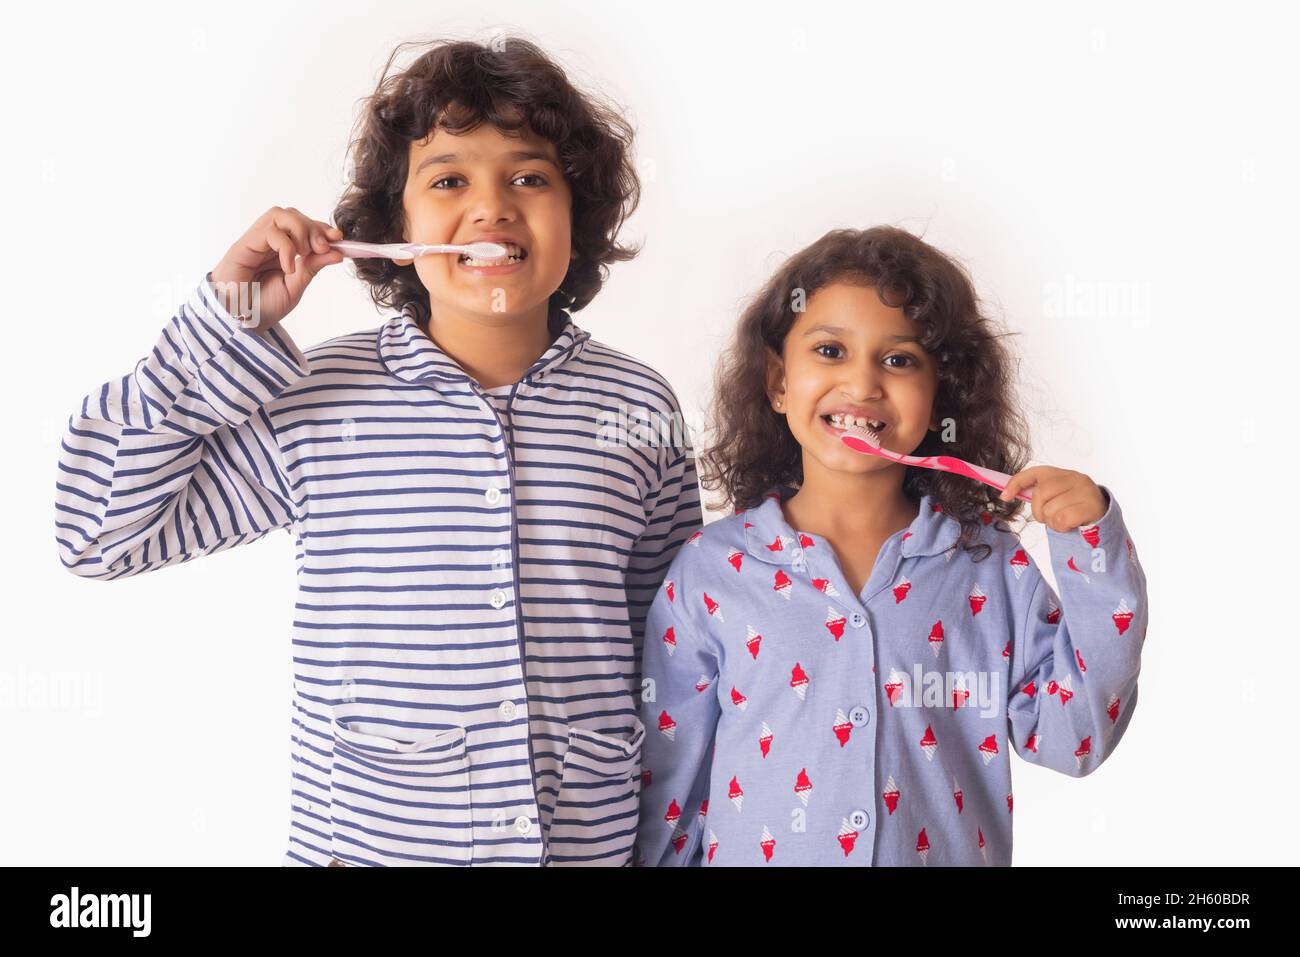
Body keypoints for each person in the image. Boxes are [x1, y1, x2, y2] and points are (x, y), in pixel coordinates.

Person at [55, 36, 701, 867]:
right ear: (396, 230)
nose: (493, 206)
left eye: (531, 177)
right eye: (448, 180)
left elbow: (674, 654)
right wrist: (227, 318)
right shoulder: (318, 400)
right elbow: (97, 533)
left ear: (579, 213)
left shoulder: (638, 405)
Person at [634, 226, 1147, 866]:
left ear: (940, 397)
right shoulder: (710, 572)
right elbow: (671, 782)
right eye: (828, 350)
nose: (863, 383)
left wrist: (1094, 550)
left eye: (899, 359)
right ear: (777, 381)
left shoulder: (990, 569)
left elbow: (1073, 738)